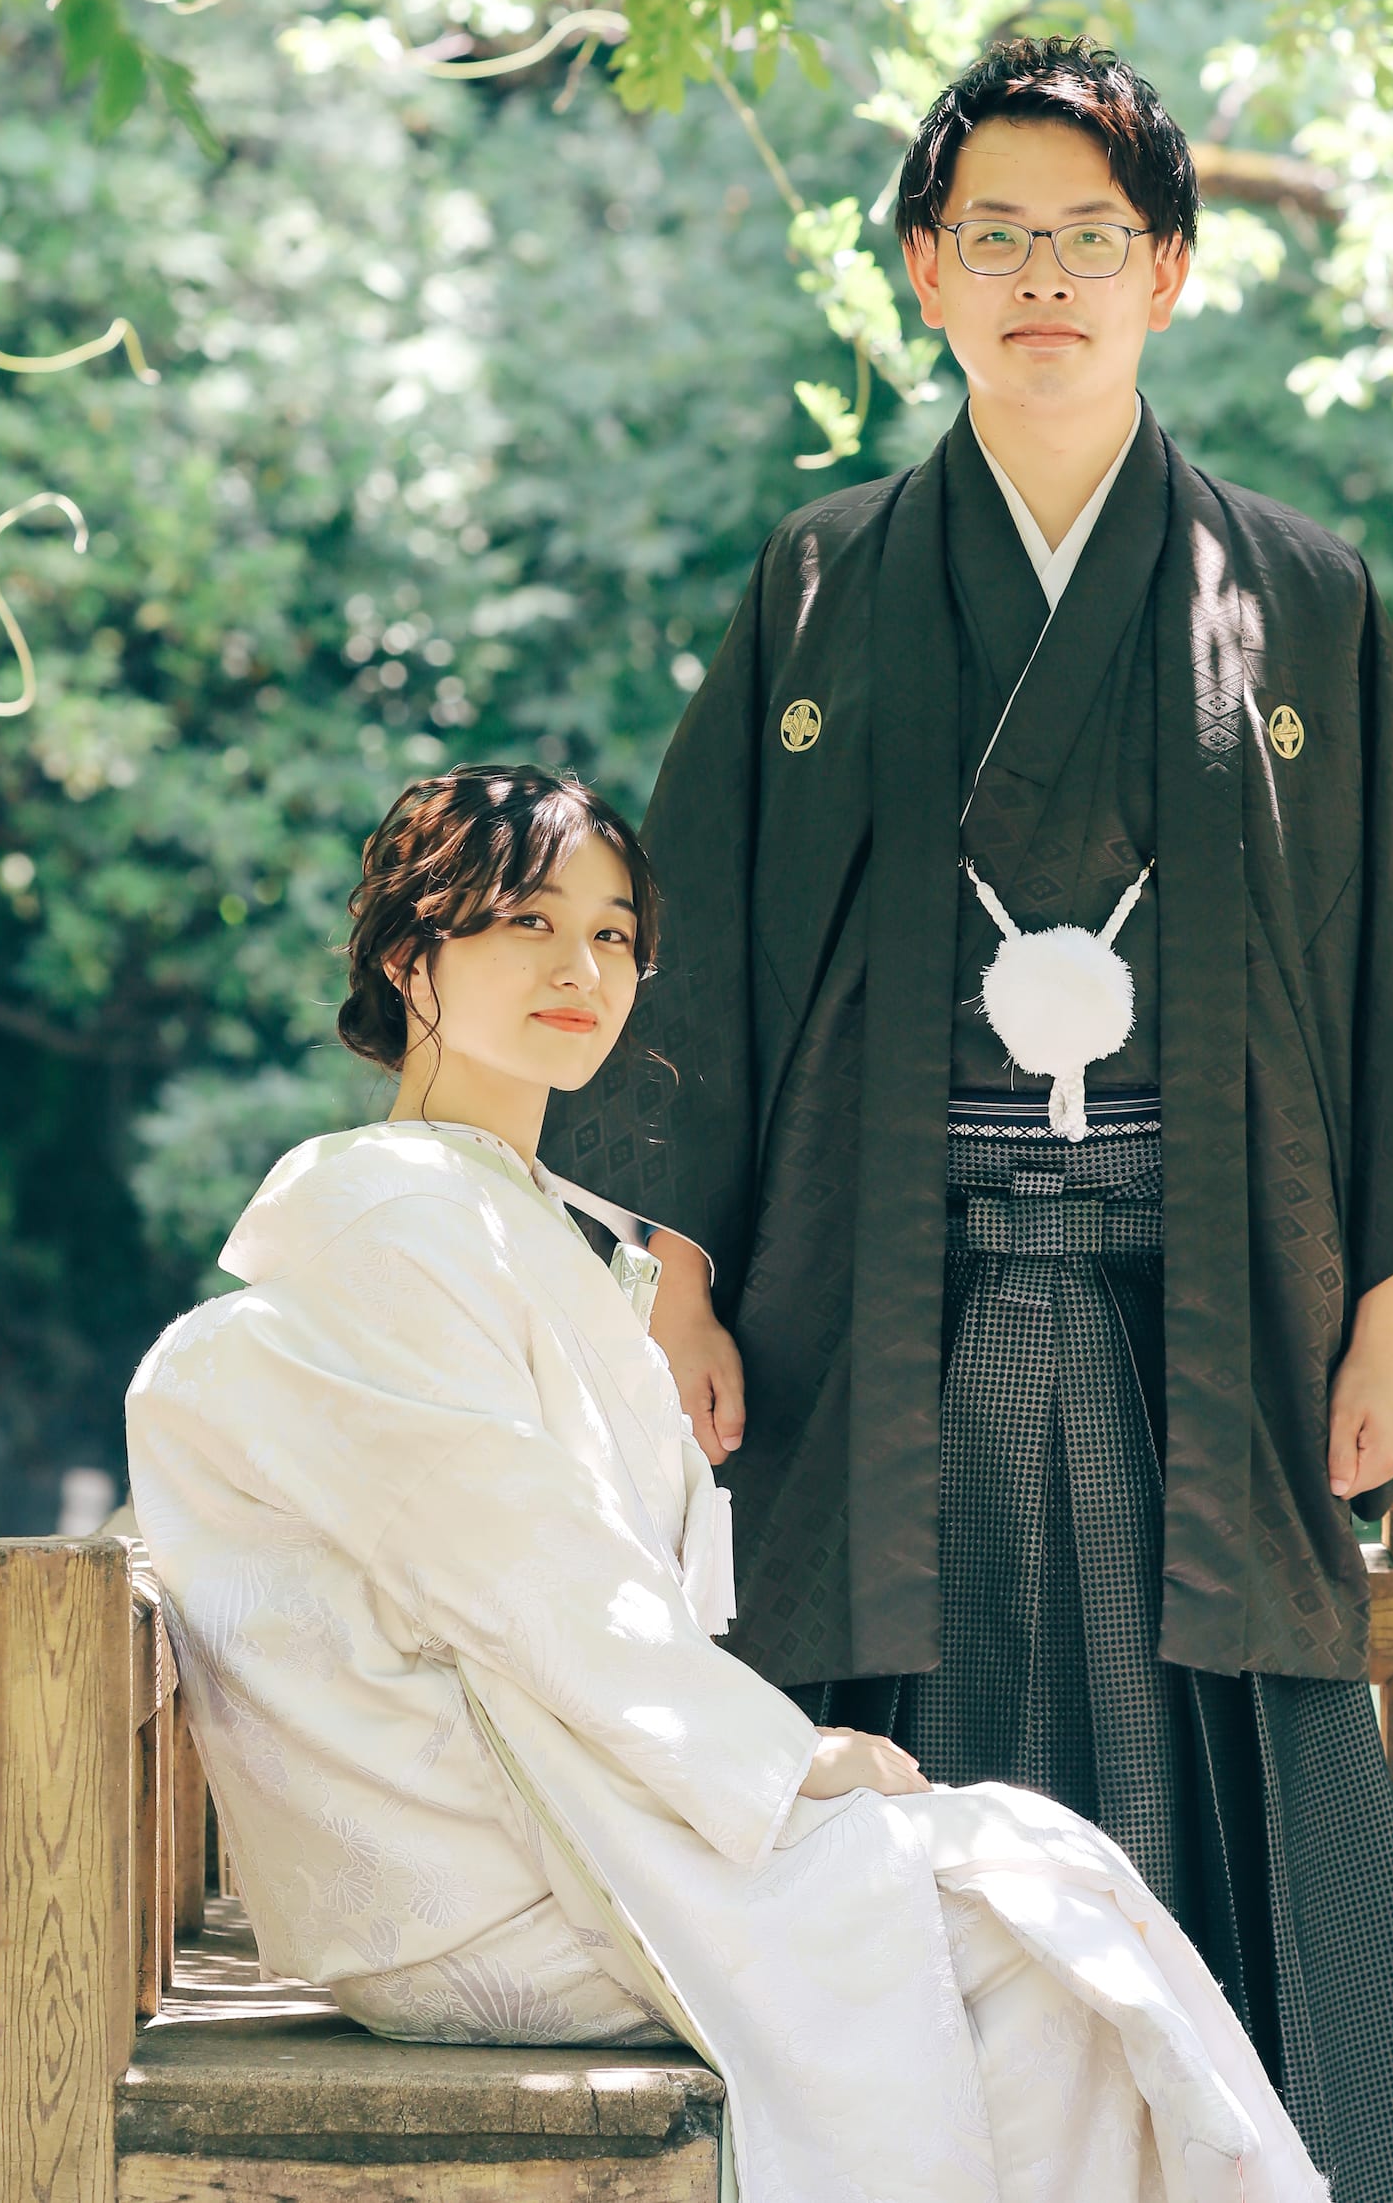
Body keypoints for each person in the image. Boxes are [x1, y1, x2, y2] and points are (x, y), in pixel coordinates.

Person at [552, 38, 1393, 2203]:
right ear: (926, 272)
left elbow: (1390, 964)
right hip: (883, 1287)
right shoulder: (820, 581)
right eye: (999, 236)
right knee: (883, 1769)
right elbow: (710, 944)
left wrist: (1386, 1313)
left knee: (1227, 1755)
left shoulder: (1291, 594)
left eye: (1092, 239)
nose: (1045, 279)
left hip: (1206, 1289)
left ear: (1170, 272)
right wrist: (683, 1279)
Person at [126, 764, 1327, 2203]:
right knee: (1028, 1948)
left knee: (1047, 1876)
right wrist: (782, 1760)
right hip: (482, 1871)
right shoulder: (396, 1220)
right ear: (409, 956)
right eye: (524, 922)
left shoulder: (523, 1222)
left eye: (613, 936)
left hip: (558, 1809)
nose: (580, 970)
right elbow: (513, 1561)